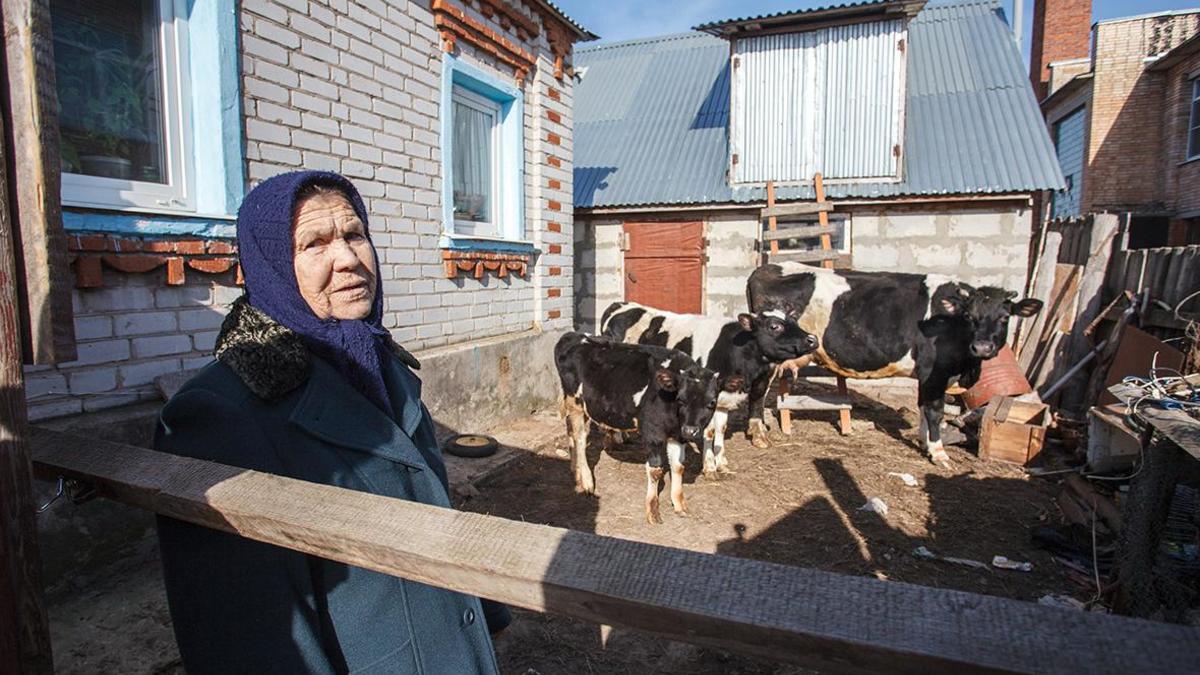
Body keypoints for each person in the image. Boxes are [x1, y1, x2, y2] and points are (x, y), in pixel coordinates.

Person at [154, 170, 509, 674]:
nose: (347, 259)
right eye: (314, 244)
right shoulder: (220, 414)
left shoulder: (382, 366)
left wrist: (482, 612)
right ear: (272, 264)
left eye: (354, 234)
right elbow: (246, 639)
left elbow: (432, 503)